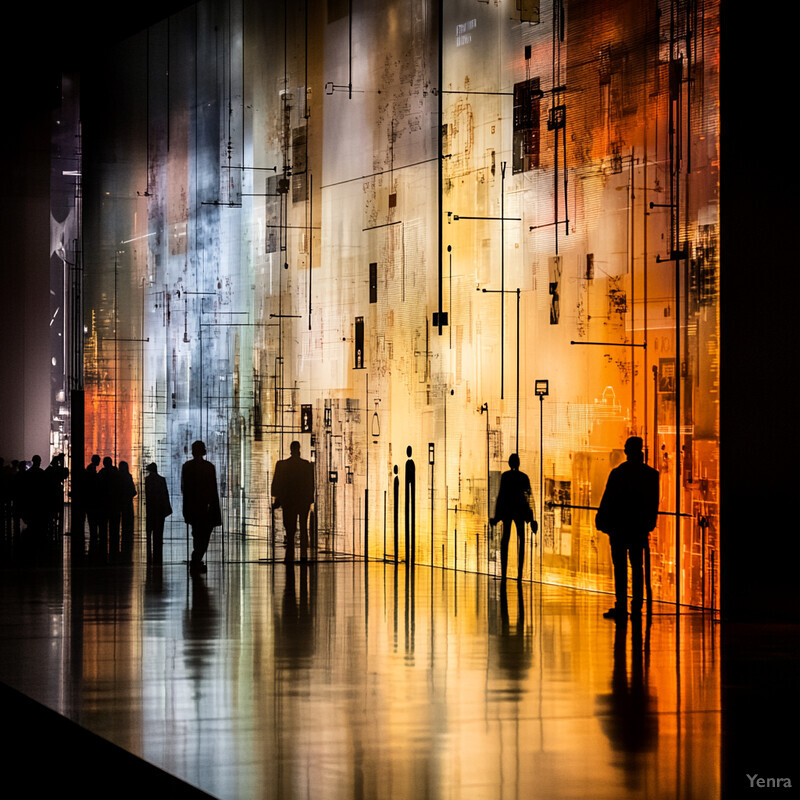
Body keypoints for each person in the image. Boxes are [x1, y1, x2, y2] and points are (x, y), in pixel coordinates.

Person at [595, 436, 659, 621]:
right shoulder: (650, 475)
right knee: (637, 566)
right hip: (638, 528)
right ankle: (637, 604)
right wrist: (649, 523)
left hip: (619, 528)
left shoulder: (618, 473)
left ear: (627, 452)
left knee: (620, 567)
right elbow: (652, 503)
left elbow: (608, 499)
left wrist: (602, 520)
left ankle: (621, 604)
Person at [490, 453, 535, 582]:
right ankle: (519, 574)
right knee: (521, 540)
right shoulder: (523, 477)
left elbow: (501, 496)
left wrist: (497, 516)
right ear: (518, 463)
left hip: (508, 511)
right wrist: (532, 517)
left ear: (510, 463)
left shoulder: (505, 477)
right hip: (520, 511)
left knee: (505, 540)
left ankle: (504, 573)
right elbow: (529, 497)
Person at [271, 441, 315, 563]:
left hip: (289, 501)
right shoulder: (306, 465)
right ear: (299, 449)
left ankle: (289, 555)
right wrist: (310, 498)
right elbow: (310, 484)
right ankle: (303, 555)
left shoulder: (282, 465)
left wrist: (277, 499)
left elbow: (277, 484)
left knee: (290, 529)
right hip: (302, 501)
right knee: (303, 528)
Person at [181, 441, 221, 573]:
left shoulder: (187, 466)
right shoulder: (209, 467)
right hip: (205, 508)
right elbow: (213, 490)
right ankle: (196, 559)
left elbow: (184, 489)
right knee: (204, 536)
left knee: (197, 535)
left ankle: (196, 559)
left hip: (193, 508)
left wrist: (186, 509)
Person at [145, 463, 171, 564]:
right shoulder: (161, 480)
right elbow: (165, 494)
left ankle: (149, 547)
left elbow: (148, 495)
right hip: (160, 509)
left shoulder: (148, 480)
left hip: (151, 509)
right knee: (158, 531)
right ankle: (157, 548)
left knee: (150, 529)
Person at [119, 461, 137, 561]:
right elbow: (133, 491)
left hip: (119, 503)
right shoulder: (128, 477)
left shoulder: (118, 477)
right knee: (128, 524)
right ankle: (127, 542)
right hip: (127, 503)